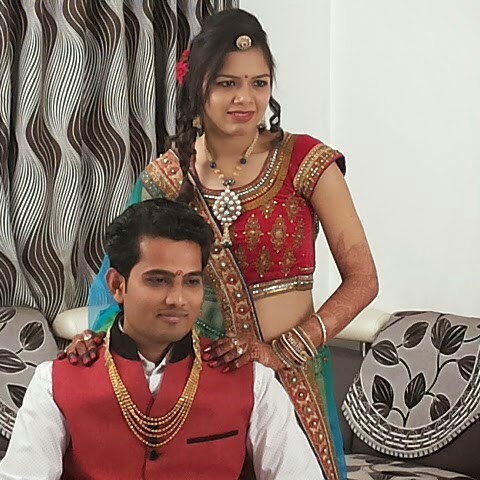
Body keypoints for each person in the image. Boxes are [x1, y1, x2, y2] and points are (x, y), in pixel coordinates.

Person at [64, 8, 379, 480]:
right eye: (227, 83)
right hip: (201, 386)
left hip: (293, 377)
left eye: (259, 83)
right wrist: (99, 342)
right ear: (198, 87)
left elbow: (364, 280)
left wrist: (284, 351)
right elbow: (124, 284)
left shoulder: (304, 161)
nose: (245, 98)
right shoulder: (166, 178)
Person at [0, 198, 324, 480]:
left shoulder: (252, 382)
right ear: (117, 286)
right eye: (158, 280)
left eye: (192, 281)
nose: (177, 299)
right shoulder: (56, 383)